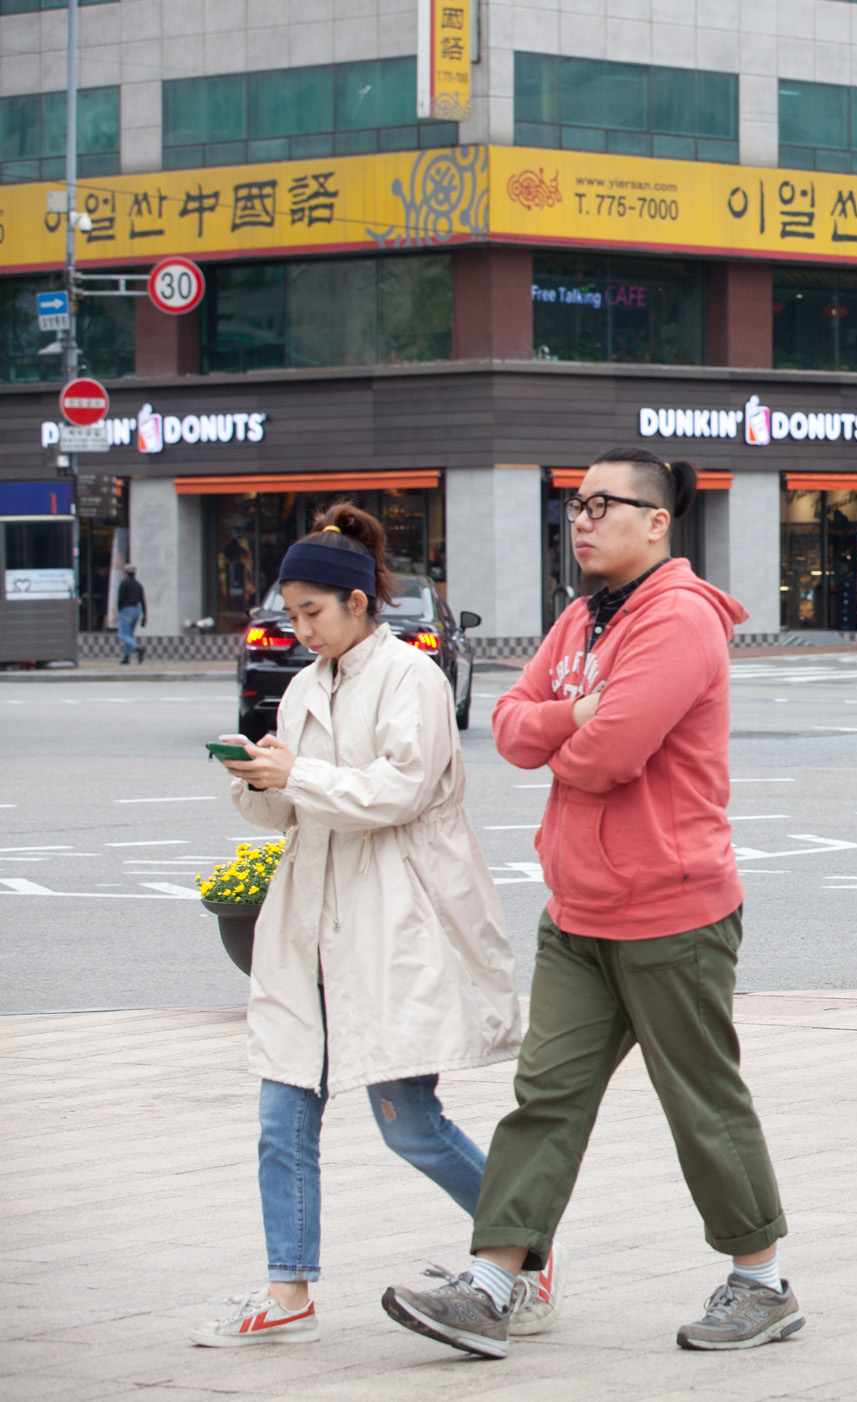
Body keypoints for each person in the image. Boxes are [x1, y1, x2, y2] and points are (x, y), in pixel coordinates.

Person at [383, 448, 798, 1358]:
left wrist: (566, 732)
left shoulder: (679, 620)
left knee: (700, 1100)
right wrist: (571, 719)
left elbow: (610, 757)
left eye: (603, 504)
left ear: (657, 521)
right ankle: (492, 1285)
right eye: (574, 504)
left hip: (673, 910)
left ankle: (762, 1281)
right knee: (545, 1097)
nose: (582, 519)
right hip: (577, 910)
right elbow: (505, 726)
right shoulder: (580, 619)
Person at [192, 503, 522, 1348]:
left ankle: (523, 1248)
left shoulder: (409, 677)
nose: (300, 630)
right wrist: (258, 778)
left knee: (409, 1123)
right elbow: (291, 815)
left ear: (358, 603)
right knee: (282, 1111)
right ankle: (288, 1285)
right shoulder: (305, 686)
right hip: (311, 919)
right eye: (290, 614)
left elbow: (399, 791)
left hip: (392, 917)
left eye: (313, 612)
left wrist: (297, 773)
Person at [116, 563, 146, 665]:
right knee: (129, 635)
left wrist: (119, 609)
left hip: (126, 609)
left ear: (125, 573)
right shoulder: (138, 585)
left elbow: (120, 598)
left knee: (123, 634)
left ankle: (138, 648)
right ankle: (126, 657)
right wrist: (145, 616)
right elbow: (143, 600)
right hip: (136, 610)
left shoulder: (124, 583)